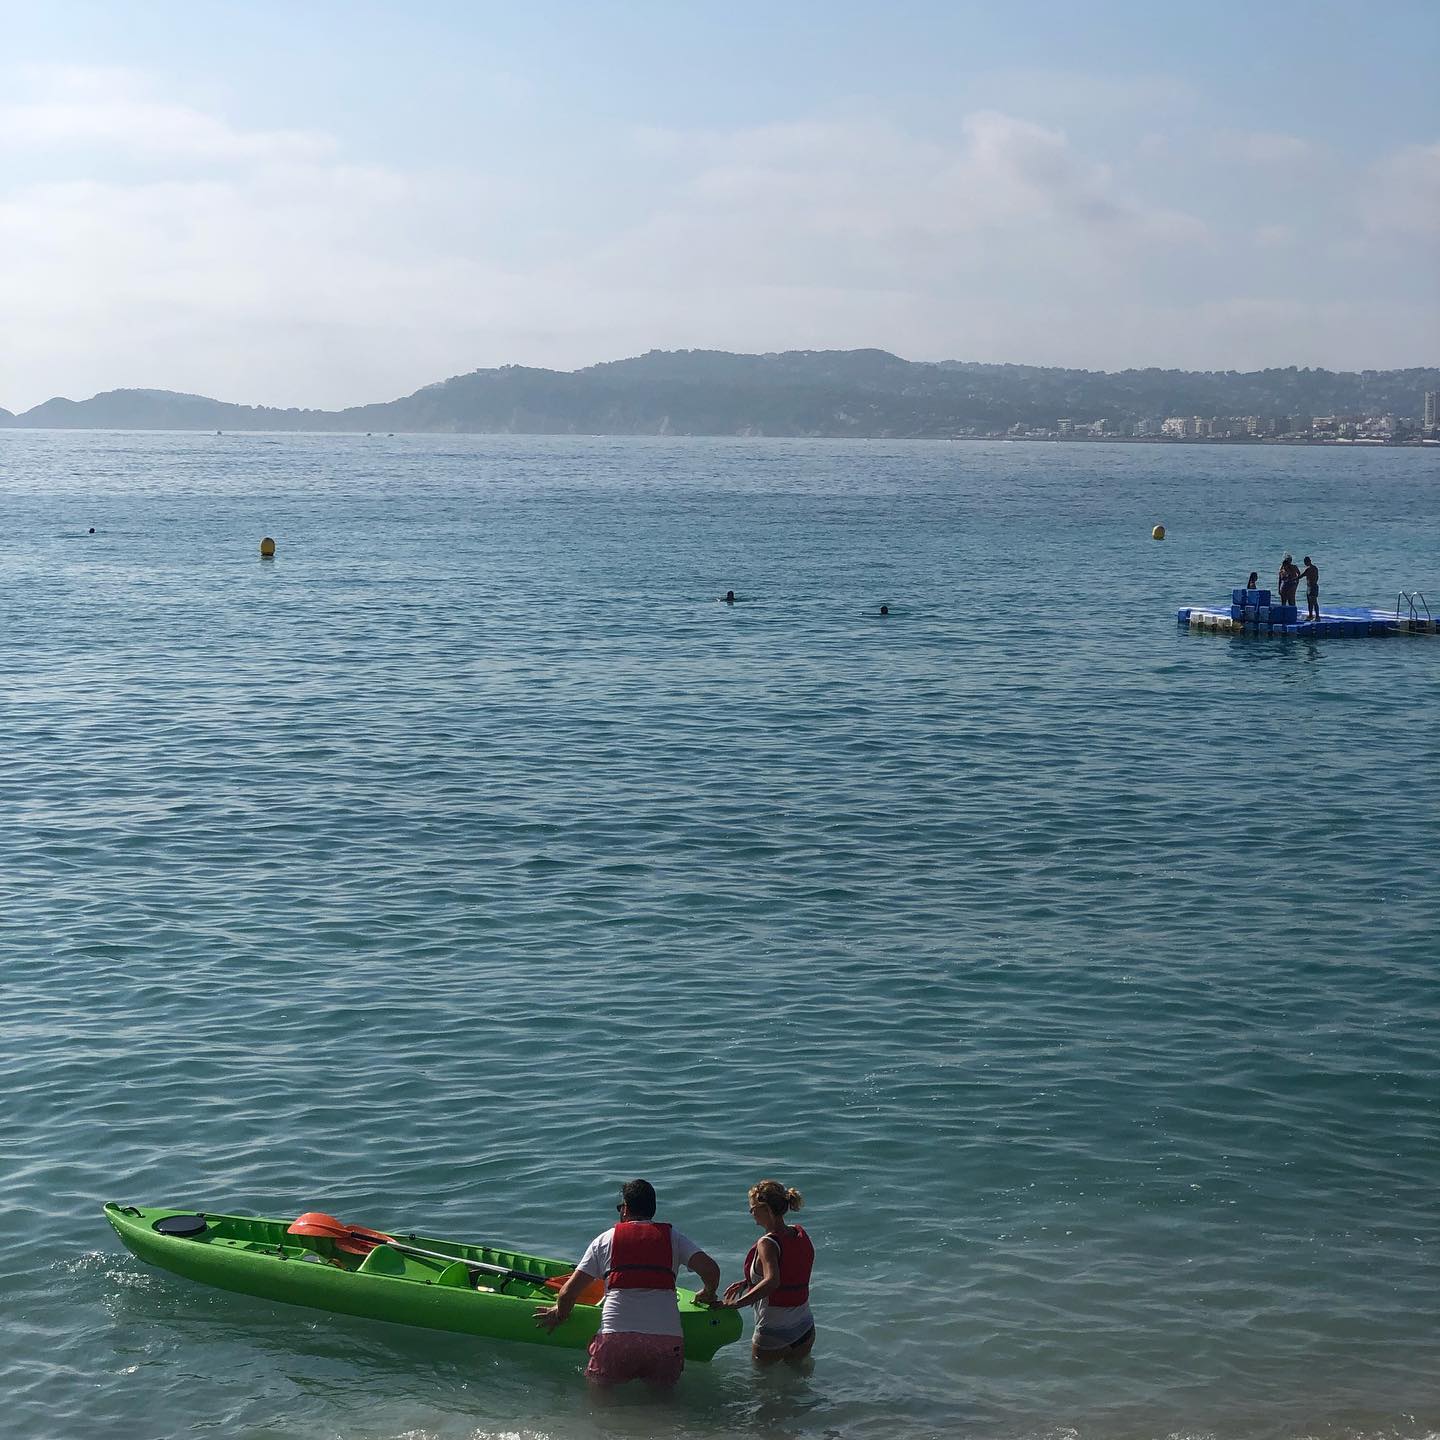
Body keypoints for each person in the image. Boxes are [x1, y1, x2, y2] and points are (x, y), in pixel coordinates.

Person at [534, 1179, 720, 1390]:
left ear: (625, 1209)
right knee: (665, 1409)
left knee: (600, 1404)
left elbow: (568, 1293)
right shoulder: (673, 1238)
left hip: (616, 1341)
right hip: (665, 1344)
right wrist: (708, 1292)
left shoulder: (605, 1240)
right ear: (653, 1209)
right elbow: (711, 1270)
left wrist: (560, 1314)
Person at [710, 1178, 815, 1366]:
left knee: (764, 1391)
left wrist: (736, 1305)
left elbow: (773, 1281)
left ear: (766, 1209)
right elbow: (790, 1268)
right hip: (805, 1328)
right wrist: (748, 1281)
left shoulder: (767, 1243)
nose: (751, 1213)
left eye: (752, 1209)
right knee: (799, 1387)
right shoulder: (798, 1233)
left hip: (774, 1331)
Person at [1299, 555, 1320, 621]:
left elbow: (1301, 576)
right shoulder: (1315, 568)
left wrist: (1293, 579)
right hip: (1313, 586)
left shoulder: (1308, 569)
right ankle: (1310, 615)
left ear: (1307, 562)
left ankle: (1317, 617)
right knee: (1310, 602)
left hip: (1311, 587)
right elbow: (1317, 577)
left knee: (1314, 602)